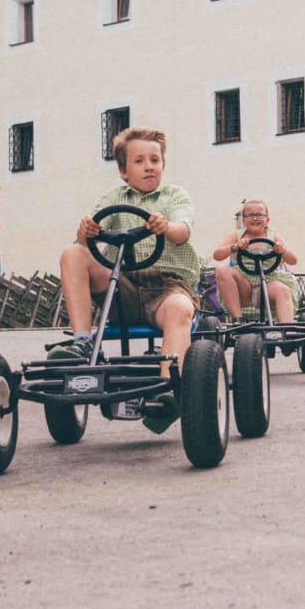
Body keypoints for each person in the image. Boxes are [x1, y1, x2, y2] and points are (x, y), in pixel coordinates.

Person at [53, 126, 197, 434]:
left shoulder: (174, 196)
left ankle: (167, 390)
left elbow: (183, 231)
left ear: (163, 165)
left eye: (155, 160)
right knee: (73, 254)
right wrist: (87, 230)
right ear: (123, 171)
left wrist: (166, 227)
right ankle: (82, 343)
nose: (149, 166)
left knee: (180, 309)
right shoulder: (114, 198)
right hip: (123, 287)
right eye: (139, 161)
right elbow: (87, 236)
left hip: (167, 287)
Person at [212, 198, 299, 323]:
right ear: (243, 220)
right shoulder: (236, 236)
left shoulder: (274, 236)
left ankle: (286, 327)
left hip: (268, 282)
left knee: (283, 290)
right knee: (221, 270)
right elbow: (217, 255)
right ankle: (238, 319)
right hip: (243, 284)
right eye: (250, 215)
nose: (255, 218)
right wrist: (235, 246)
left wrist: (282, 250)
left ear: (267, 219)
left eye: (259, 215)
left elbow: (293, 260)